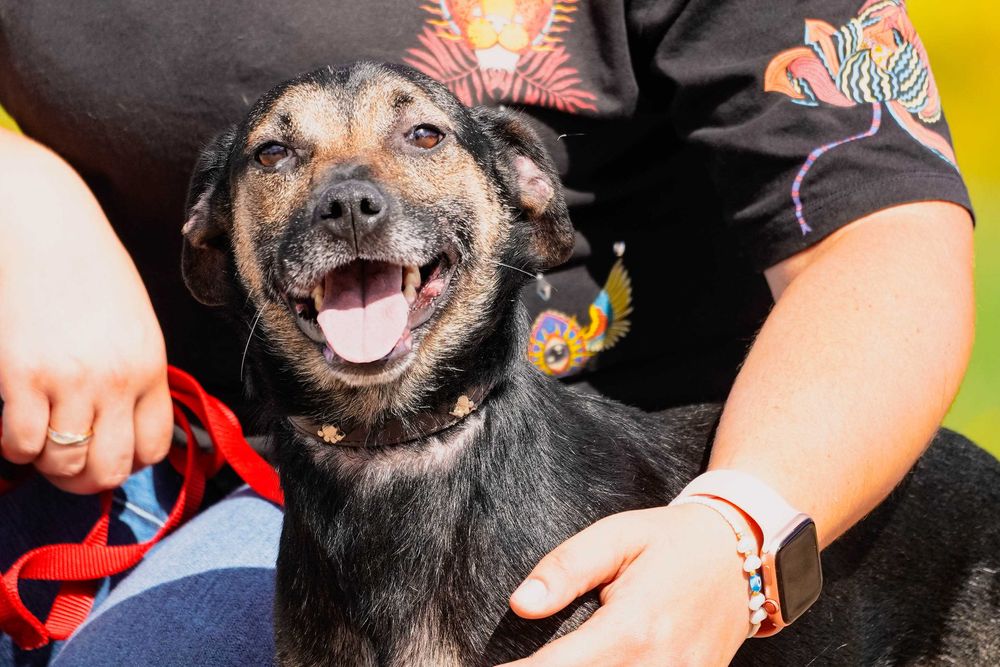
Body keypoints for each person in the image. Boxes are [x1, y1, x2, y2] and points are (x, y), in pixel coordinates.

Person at [0, 0, 975, 665]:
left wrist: (737, 535)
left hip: (667, 472)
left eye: (420, 136)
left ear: (527, 200)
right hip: (153, 456)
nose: (350, 196)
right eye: (282, 156)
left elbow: (885, 236)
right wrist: (15, 186)